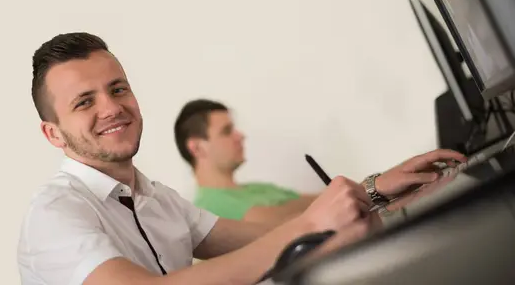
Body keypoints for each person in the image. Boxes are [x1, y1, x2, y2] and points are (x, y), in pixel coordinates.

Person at [17, 32, 466, 285]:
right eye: (84, 102)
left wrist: (377, 189)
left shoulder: (157, 198)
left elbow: (266, 237)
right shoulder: (54, 212)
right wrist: (312, 225)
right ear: (52, 133)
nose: (111, 108)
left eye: (118, 89)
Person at [174, 99, 463, 227]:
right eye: (226, 131)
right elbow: (288, 223)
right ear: (197, 147)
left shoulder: (255, 188)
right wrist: (373, 186)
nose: (240, 135)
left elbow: (331, 200)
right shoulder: (208, 206)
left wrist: (388, 181)